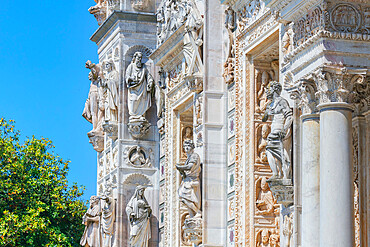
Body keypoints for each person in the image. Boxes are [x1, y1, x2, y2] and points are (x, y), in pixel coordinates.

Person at [262, 81, 293, 180]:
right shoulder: (271, 104)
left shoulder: (282, 102)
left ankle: (283, 173)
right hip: (273, 130)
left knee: (277, 152)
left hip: (279, 130)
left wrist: (284, 130)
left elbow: (289, 116)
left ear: (275, 89)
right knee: (269, 151)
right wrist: (266, 112)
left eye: (268, 89)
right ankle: (277, 173)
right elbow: (264, 119)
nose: (266, 91)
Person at [125, 52, 154, 122]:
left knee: (142, 101)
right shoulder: (131, 66)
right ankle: (133, 115)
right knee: (134, 100)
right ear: (135, 58)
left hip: (142, 88)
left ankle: (141, 115)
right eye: (138, 58)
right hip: (134, 88)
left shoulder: (144, 68)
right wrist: (131, 79)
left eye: (140, 58)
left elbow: (149, 76)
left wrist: (150, 83)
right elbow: (127, 76)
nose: (139, 60)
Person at [176, 139, 201, 218]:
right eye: (185, 146)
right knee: (184, 198)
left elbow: (190, 167)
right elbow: (186, 172)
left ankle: (198, 212)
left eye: (188, 146)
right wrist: (182, 171)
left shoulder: (194, 156)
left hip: (192, 180)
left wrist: (180, 167)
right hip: (187, 180)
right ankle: (192, 215)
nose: (186, 148)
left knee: (187, 198)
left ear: (192, 147)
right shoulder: (188, 158)